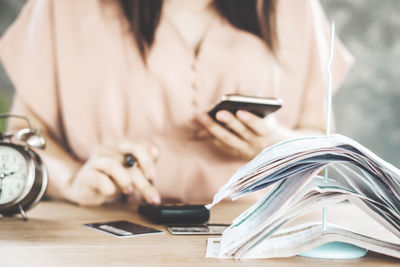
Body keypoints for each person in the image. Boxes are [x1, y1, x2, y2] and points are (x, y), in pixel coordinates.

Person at [0, 0, 353, 206]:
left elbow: (320, 141)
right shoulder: (63, 8)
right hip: (104, 238)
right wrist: (75, 180)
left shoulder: (293, 8)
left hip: (257, 241)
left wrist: (276, 147)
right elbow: (23, 137)